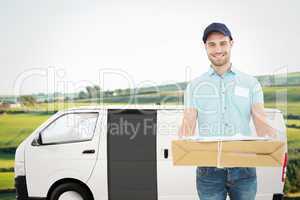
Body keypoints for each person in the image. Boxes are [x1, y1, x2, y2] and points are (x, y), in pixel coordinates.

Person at [178, 22, 276, 200]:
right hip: (208, 171)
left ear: (231, 43)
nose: (217, 49)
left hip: (244, 168)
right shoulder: (194, 87)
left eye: (222, 43)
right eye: (212, 45)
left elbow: (262, 124)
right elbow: (188, 126)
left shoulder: (250, 83)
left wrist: (273, 144)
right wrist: (181, 144)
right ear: (205, 47)